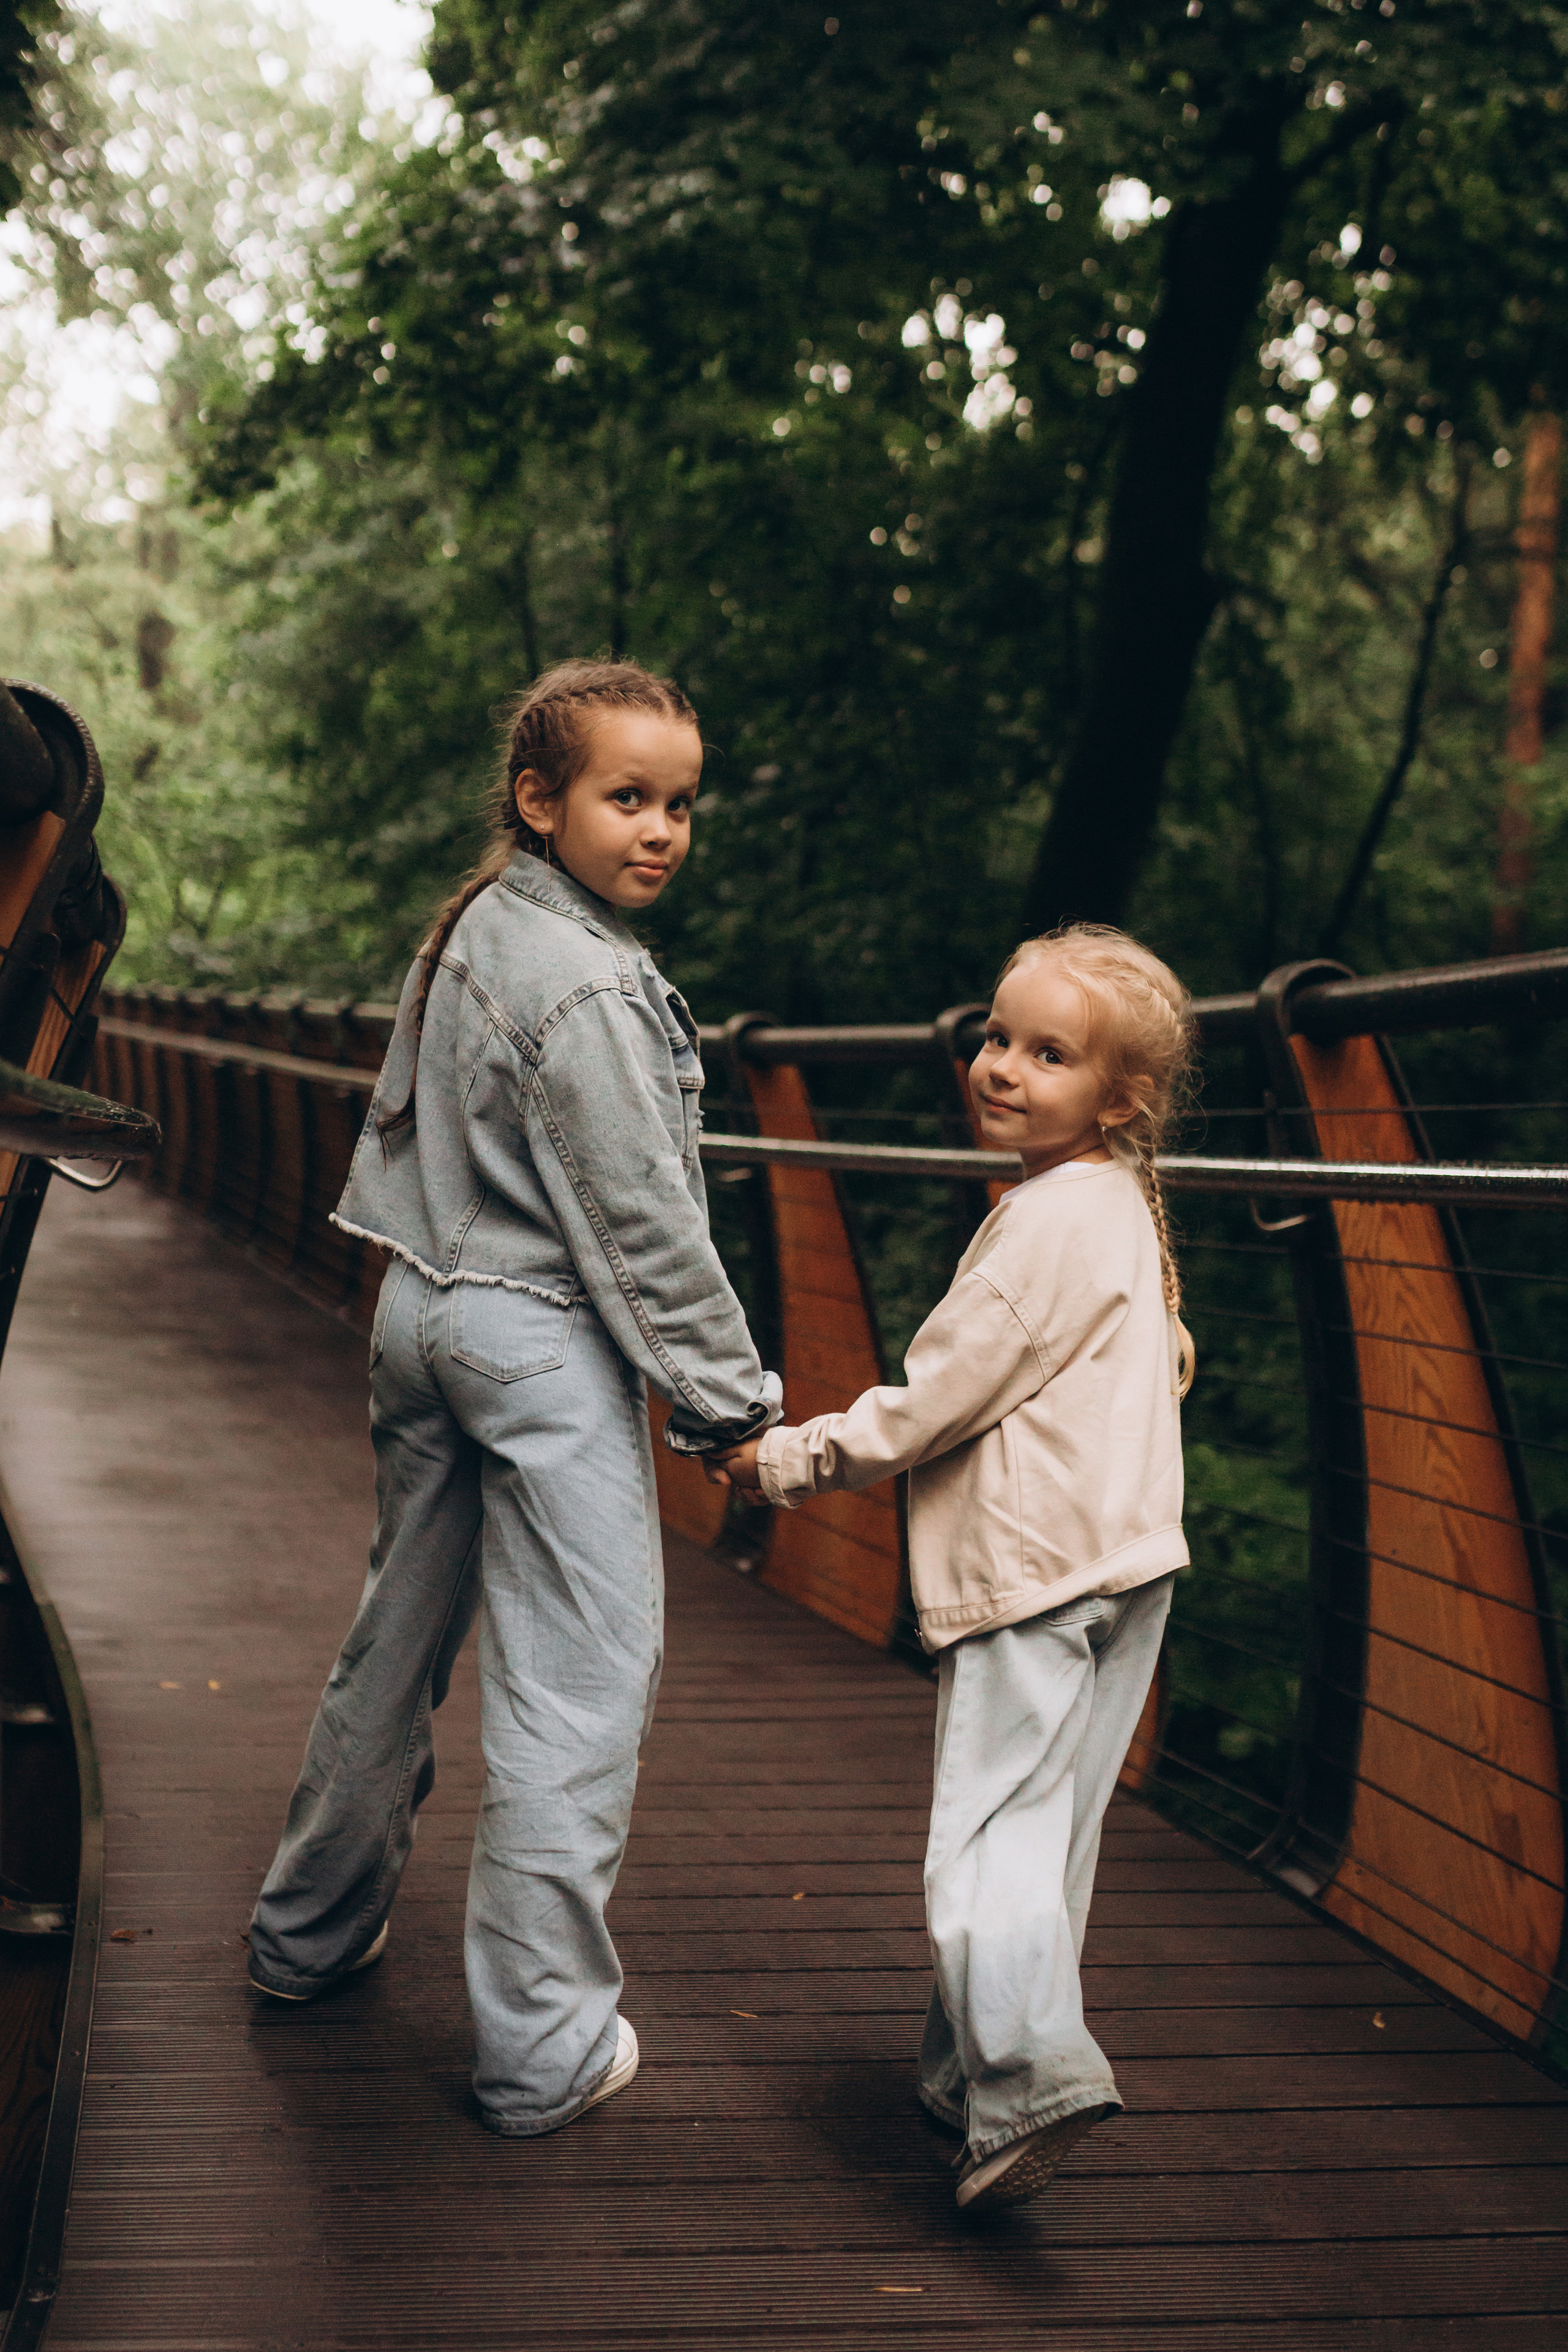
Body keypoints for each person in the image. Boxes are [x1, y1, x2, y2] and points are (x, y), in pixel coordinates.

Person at [247, 658, 779, 2140]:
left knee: (396, 1640)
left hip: (420, 1312)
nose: (660, 829)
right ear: (540, 801)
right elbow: (643, 1229)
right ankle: (542, 2053)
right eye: (627, 797)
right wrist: (731, 1408)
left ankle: (303, 1936)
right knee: (578, 1689)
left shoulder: (481, 921)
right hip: (534, 1344)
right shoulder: (592, 983)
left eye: (680, 803)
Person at [709, 924, 1193, 2212]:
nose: (1002, 1067)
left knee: (986, 1841)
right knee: (1049, 1835)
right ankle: (964, 2081)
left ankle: (1033, 2079)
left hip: (1035, 1576)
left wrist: (787, 1461)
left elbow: (931, 1403)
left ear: (1120, 1100)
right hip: (1128, 1562)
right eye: (995, 1036)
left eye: (1049, 1054)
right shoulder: (1118, 1206)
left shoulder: (1042, 1225)